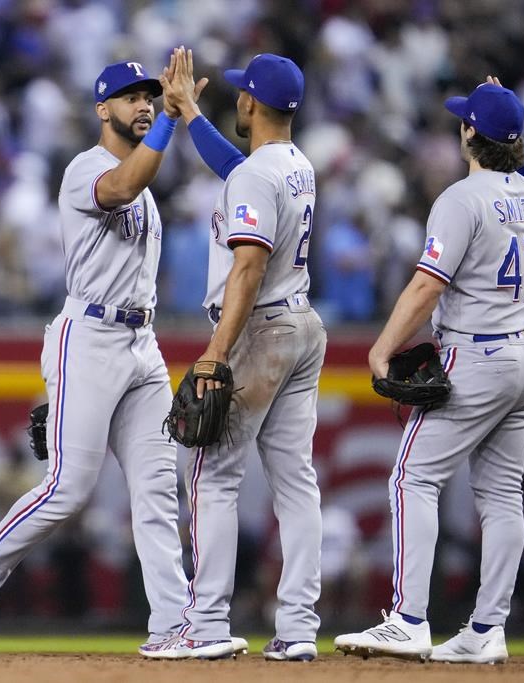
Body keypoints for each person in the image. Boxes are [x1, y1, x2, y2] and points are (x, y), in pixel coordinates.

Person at [0, 56, 202, 658]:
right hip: (88, 336)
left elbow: (139, 182)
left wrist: (173, 119)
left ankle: (172, 626)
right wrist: (167, 118)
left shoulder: (148, 178)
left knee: (159, 488)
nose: (141, 104)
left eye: (148, 96)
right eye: (129, 97)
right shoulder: (87, 167)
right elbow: (122, 186)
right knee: (67, 488)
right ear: (101, 109)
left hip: (142, 342)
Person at [333, 77, 524, 664]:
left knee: (411, 478)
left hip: (478, 354)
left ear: (470, 135)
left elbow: (425, 287)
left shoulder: (460, 200)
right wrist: (512, 134)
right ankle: (487, 629)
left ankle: (409, 618)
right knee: (502, 494)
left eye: (466, 121)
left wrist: (382, 347)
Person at [147, 49, 326, 662]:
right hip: (302, 324)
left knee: (213, 473)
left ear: (251, 102)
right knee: (296, 480)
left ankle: (206, 624)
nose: (237, 100)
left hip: (258, 330)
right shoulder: (295, 163)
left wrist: (215, 352)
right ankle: (299, 627)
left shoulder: (256, 174)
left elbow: (247, 264)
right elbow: (237, 169)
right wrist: (192, 114)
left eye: (240, 94)